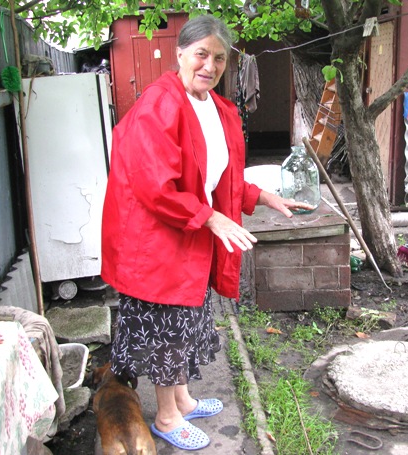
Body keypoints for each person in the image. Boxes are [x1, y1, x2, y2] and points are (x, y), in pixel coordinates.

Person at [101, 14, 312, 451]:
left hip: (189, 232)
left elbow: (221, 175)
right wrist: (212, 218)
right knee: (166, 327)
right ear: (180, 53)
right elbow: (154, 184)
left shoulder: (216, 108)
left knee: (186, 323)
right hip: (158, 238)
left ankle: (182, 399)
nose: (210, 65)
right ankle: (165, 415)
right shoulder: (160, 105)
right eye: (201, 54)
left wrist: (264, 197)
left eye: (219, 58)